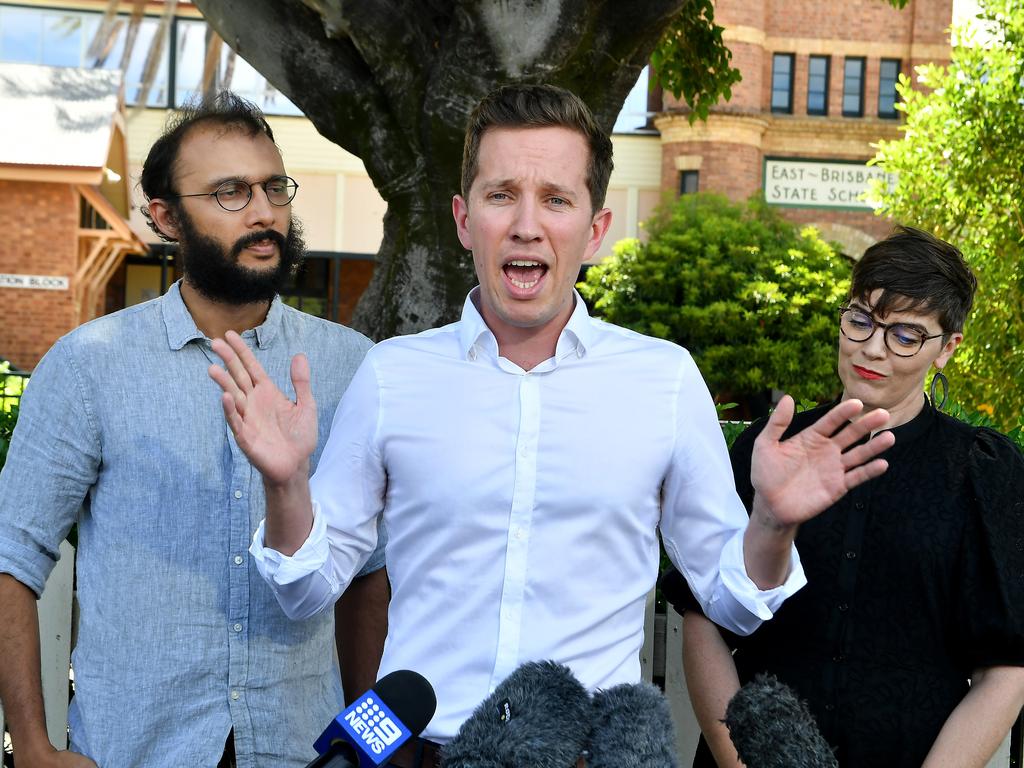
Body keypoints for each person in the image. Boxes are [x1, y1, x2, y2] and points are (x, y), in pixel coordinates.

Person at [208, 84, 894, 766]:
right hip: (418, 749)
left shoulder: (665, 379)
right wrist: (287, 484)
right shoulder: (392, 375)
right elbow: (304, 590)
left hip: (594, 753)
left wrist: (772, 524)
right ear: (462, 218)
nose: (526, 224)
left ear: (595, 229)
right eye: (501, 194)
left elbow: (736, 606)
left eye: (557, 199)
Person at [0, 93, 387, 768]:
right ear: (166, 216)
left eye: (273, 187)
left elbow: (368, 577)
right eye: (230, 192)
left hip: (304, 751)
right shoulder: (91, 367)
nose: (264, 211)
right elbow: (10, 559)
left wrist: (369, 745)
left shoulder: (350, 365)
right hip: (135, 751)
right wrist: (32, 746)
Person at [663, 226, 1024, 767]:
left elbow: (1007, 665)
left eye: (904, 335)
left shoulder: (980, 469)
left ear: (947, 349)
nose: (872, 349)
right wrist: (738, 762)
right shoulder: (772, 446)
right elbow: (702, 616)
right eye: (860, 320)